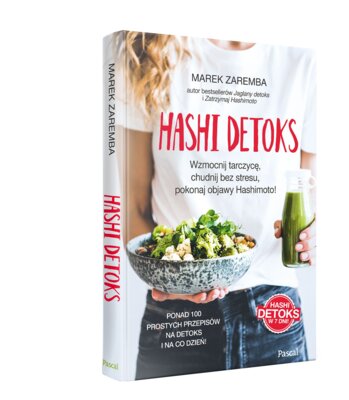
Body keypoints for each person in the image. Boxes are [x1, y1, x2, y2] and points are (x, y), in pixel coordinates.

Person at [116, 32, 316, 379]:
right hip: (177, 315)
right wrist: (167, 278)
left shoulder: (305, 59)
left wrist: (313, 236)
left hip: (274, 312)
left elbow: (311, 196)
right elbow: (133, 207)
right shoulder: (148, 49)